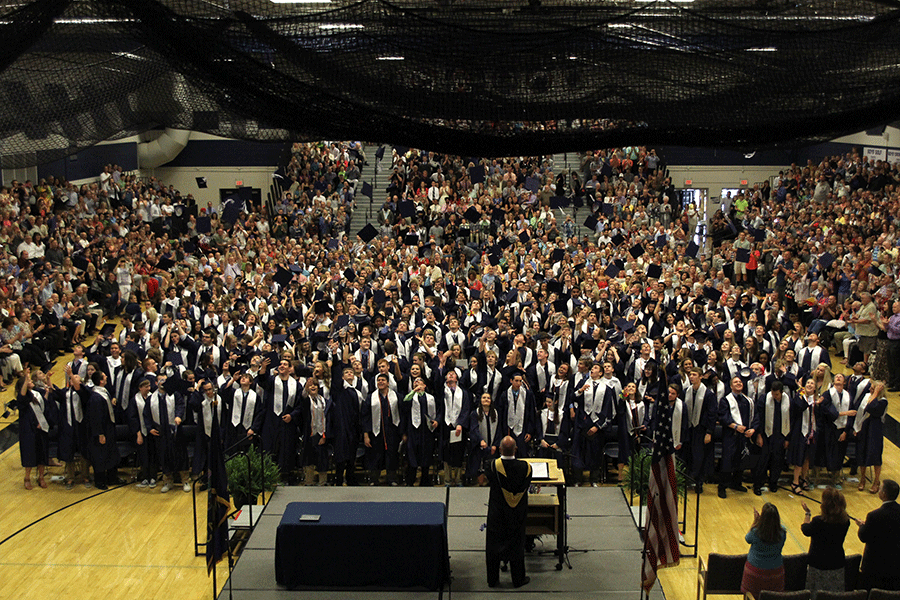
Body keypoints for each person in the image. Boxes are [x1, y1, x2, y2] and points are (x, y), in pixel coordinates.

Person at [485, 435, 532, 589]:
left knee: (493, 545)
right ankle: (518, 578)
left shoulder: (491, 466)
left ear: (499, 449)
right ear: (516, 449)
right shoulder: (526, 468)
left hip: (497, 513)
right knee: (517, 545)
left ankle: (493, 580)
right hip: (516, 514)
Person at [800, 487, 850, 599]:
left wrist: (807, 514)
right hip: (837, 562)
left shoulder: (818, 521)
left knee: (815, 595)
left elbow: (805, 529)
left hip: (817, 563)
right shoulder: (845, 521)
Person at [855, 479, 900, 591]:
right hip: (895, 564)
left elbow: (864, 537)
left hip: (874, 566)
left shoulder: (874, 516)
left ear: (883, 494)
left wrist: (862, 526)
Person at [741, 502, 787, 598]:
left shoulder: (756, 531)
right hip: (776, 573)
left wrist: (755, 523)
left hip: (755, 573)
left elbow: (747, 539)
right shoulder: (782, 532)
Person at [16, 369, 51, 490]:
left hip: (41, 427)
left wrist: (42, 422)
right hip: (28, 430)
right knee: (30, 453)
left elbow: (43, 407)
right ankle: (27, 477)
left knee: (42, 453)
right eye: (28, 381)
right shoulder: (23, 398)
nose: (31, 381)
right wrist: (25, 378)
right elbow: (22, 397)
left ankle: (41, 477)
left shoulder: (36, 393)